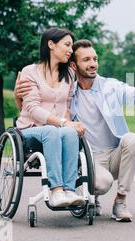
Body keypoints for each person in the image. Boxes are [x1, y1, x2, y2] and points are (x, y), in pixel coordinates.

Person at [15, 39, 135, 222]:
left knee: (132, 139)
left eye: (95, 59)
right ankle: (93, 196)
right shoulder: (67, 92)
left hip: (114, 153)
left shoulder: (110, 86)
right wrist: (19, 96)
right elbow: (39, 109)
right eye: (86, 60)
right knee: (102, 184)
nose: (93, 64)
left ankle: (120, 202)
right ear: (73, 64)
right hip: (87, 159)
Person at [16, 27, 85, 208]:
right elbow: (32, 108)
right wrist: (62, 122)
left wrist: (68, 123)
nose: (71, 50)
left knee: (70, 133)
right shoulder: (30, 71)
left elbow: (68, 106)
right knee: (51, 131)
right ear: (51, 45)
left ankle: (69, 190)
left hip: (59, 131)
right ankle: (56, 191)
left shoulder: (69, 74)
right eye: (67, 45)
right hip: (31, 129)